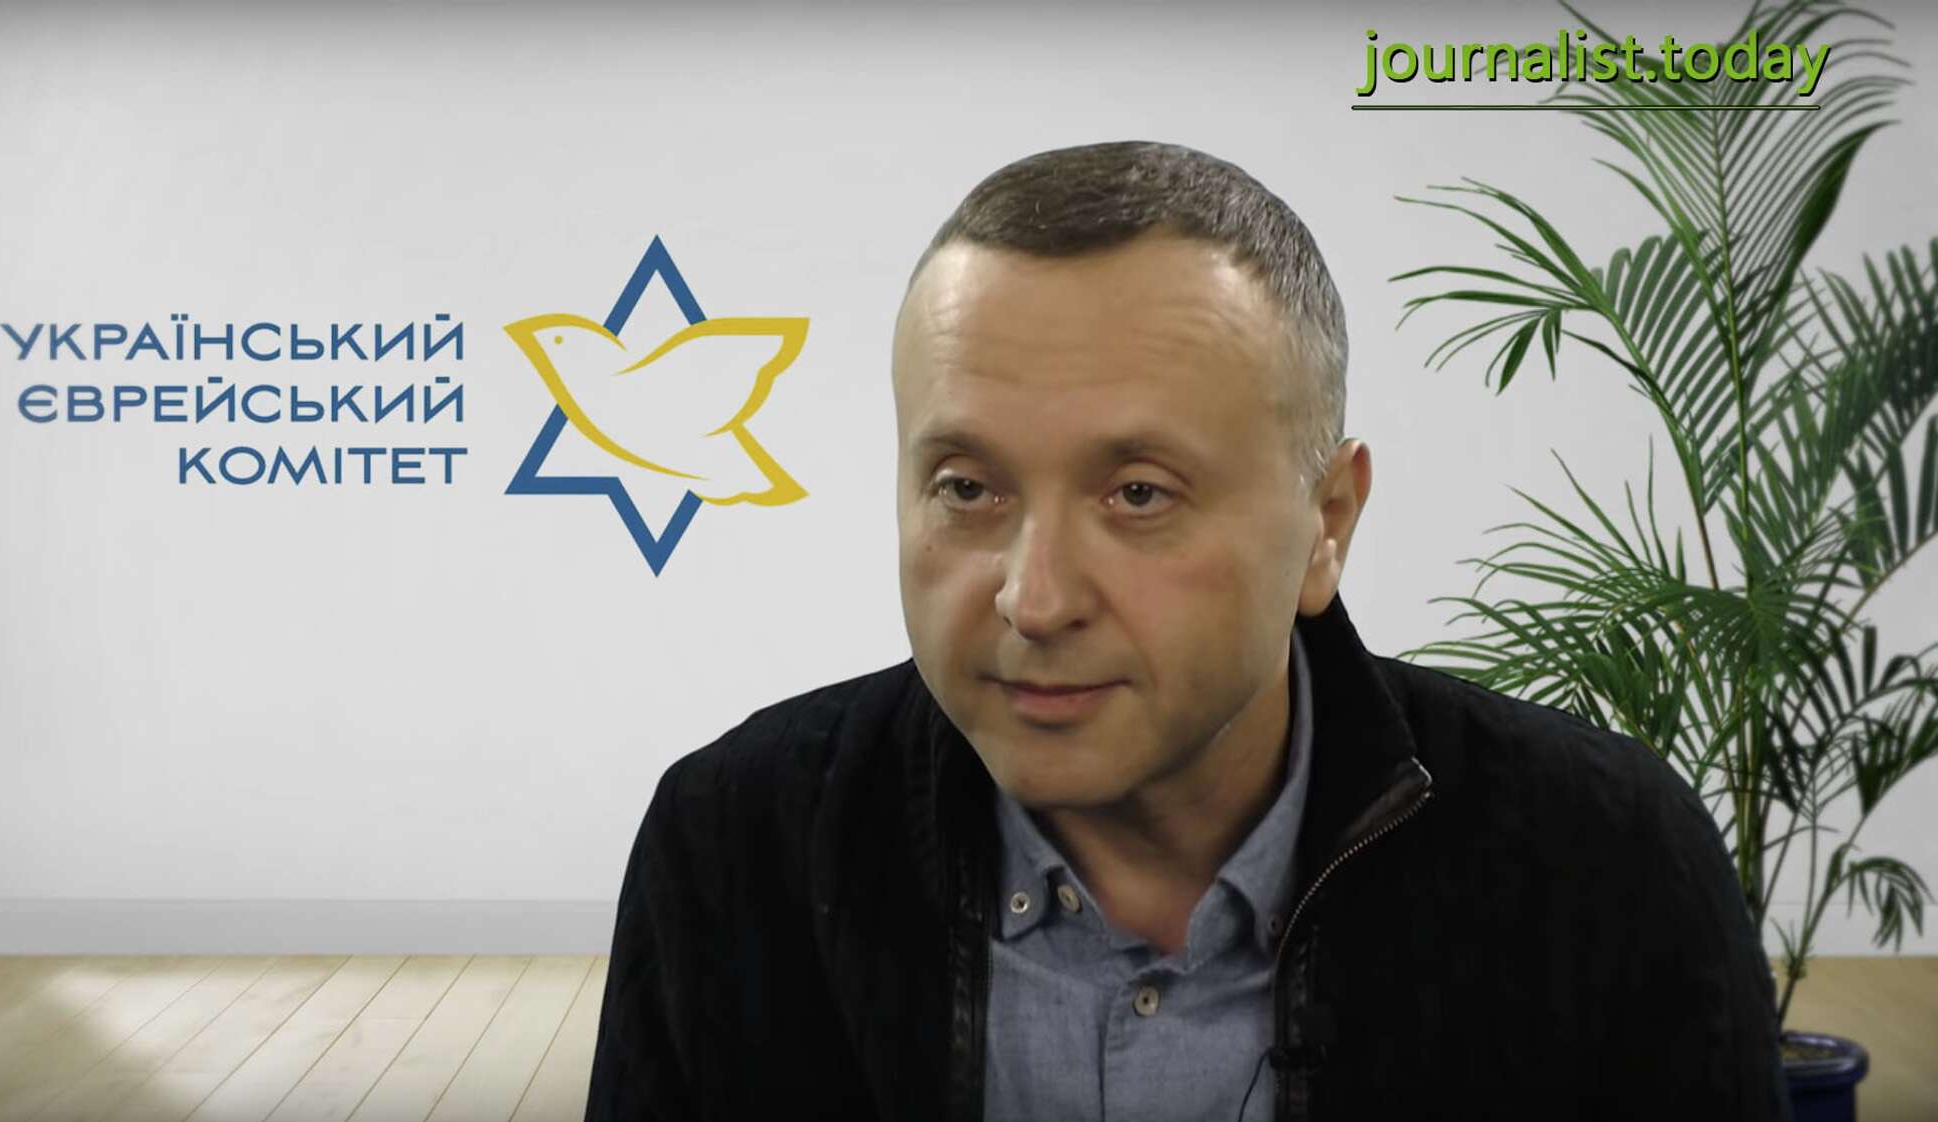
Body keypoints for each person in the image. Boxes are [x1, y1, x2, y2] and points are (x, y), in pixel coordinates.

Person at [583, 141, 1792, 1121]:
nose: (1033, 600)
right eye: (966, 488)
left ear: (1324, 522)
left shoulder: (1604, 866)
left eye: (1136, 494)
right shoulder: (733, 848)